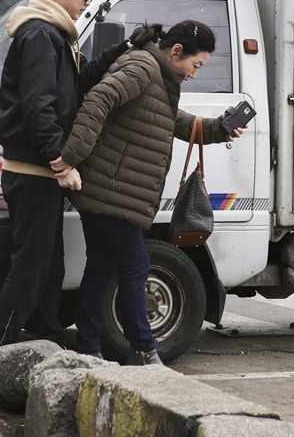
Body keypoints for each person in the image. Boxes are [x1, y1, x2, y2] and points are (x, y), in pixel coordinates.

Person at [0, 0, 130, 390]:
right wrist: (60, 161)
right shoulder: (40, 34)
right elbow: (40, 108)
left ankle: (51, 342)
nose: (86, 1)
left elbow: (76, 85)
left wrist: (126, 47)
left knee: (50, 266)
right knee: (29, 270)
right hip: (34, 170)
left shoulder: (57, 35)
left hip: (39, 170)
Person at [50, 20, 243, 365]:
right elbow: (100, 97)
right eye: (196, 65)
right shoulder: (144, 67)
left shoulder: (158, 77)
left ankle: (89, 347)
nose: (195, 74)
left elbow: (174, 121)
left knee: (100, 266)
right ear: (176, 51)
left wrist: (220, 129)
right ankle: (144, 348)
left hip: (108, 191)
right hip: (112, 192)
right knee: (137, 264)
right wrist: (68, 158)